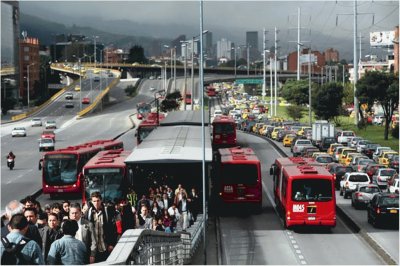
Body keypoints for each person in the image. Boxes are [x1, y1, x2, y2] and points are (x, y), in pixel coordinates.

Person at [86, 191, 118, 263]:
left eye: (98, 201)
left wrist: (111, 244)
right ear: (91, 201)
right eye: (94, 201)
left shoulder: (107, 211)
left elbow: (112, 229)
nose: (96, 203)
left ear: (101, 200)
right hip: (94, 249)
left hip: (105, 247)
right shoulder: (88, 213)